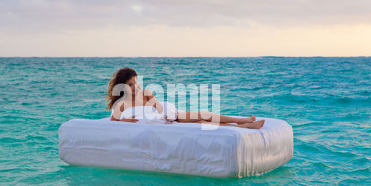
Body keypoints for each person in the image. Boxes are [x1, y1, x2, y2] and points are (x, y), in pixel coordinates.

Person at [105, 67, 265, 129]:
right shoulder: (122, 104)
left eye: (135, 82)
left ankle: (241, 120)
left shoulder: (145, 93)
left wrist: (162, 112)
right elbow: (113, 122)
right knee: (201, 123)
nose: (135, 86)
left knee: (202, 115)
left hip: (167, 116)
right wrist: (123, 121)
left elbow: (158, 108)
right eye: (131, 84)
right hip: (160, 122)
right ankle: (243, 127)